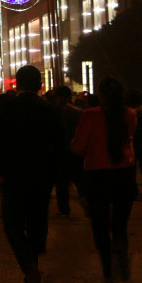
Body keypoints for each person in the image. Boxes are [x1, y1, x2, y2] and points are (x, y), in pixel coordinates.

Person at [0, 65, 65, 283]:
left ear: (18, 84)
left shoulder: (6, 108)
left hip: (13, 176)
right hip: (42, 176)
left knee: (12, 224)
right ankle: (33, 265)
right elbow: (59, 145)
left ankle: (29, 267)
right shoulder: (50, 110)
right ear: (40, 85)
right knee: (37, 222)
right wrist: (57, 175)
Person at [71, 76, 137, 283]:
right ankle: (121, 254)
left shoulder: (89, 115)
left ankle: (107, 268)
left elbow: (78, 147)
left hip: (98, 175)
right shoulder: (130, 114)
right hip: (124, 173)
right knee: (120, 223)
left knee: (100, 225)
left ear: (100, 95)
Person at [53, 86, 85, 217]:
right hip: (76, 150)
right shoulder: (78, 112)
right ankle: (86, 201)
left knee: (61, 184)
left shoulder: (54, 111)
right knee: (80, 180)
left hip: (59, 151)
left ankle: (64, 209)